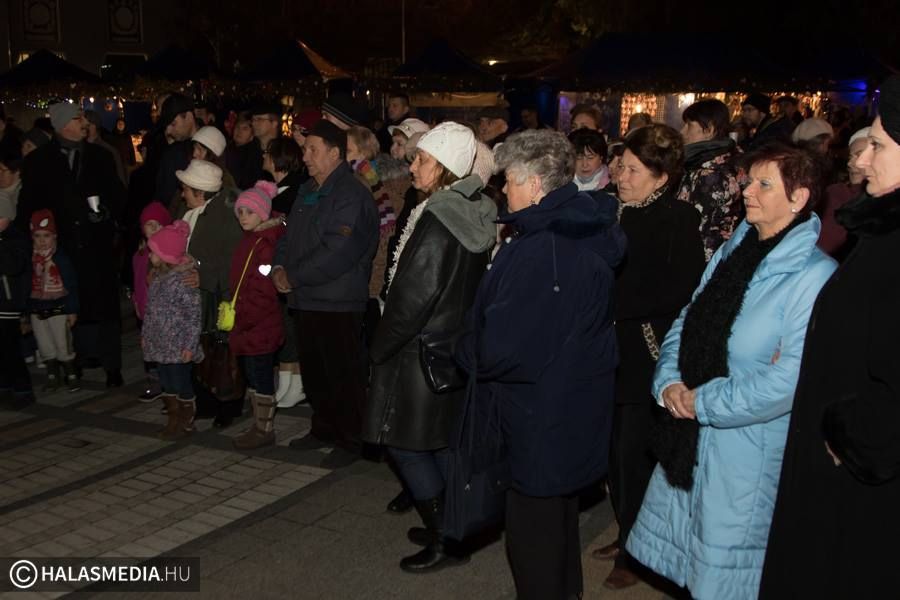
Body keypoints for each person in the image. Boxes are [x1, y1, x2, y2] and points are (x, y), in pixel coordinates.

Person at [625, 142, 837, 600]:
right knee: (696, 571)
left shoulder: (814, 276)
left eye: (764, 184)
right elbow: (689, 317)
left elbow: (788, 381)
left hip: (749, 453)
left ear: (799, 198)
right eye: (748, 181)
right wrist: (669, 382)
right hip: (692, 440)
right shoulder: (734, 250)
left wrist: (701, 401)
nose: (747, 191)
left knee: (732, 579)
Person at [455, 129, 625, 600]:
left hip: (539, 413)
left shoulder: (542, 247)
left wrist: (463, 349)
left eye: (509, 180)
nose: (503, 189)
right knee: (558, 523)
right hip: (571, 401)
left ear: (533, 185)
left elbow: (504, 347)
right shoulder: (581, 226)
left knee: (533, 536)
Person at [760, 75, 900, 600]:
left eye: (878, 146)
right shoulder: (881, 230)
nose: (861, 159)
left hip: (860, 485)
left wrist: (850, 438)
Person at [362, 122, 497, 572]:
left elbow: (411, 298)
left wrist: (379, 348)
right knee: (437, 442)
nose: (412, 166)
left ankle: (446, 537)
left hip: (417, 352)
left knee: (406, 445)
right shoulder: (468, 209)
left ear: (444, 168)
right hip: (446, 347)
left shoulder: (438, 219)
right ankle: (454, 526)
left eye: (422, 159)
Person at [594, 124, 705, 590]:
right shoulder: (609, 210)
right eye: (620, 166)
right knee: (611, 450)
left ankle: (635, 552)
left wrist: (610, 303)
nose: (621, 176)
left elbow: (681, 290)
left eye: (633, 170)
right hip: (604, 348)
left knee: (633, 453)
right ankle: (626, 530)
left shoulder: (678, 218)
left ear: (661, 177)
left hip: (645, 350)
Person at [271, 120, 378, 468]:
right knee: (316, 372)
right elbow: (288, 236)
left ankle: (352, 439)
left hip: (337, 300)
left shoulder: (351, 194)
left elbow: (339, 251)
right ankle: (324, 428)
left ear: (335, 153)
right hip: (307, 297)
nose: (305, 156)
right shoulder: (307, 190)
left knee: (343, 374)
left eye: (312, 150)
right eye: (305, 150)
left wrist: (294, 276)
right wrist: (278, 267)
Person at [17, 102, 126, 388]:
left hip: (96, 243)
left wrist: (106, 214)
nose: (84, 124)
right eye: (78, 119)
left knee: (105, 307)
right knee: (68, 306)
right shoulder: (39, 161)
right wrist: (35, 239)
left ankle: (112, 366)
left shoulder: (100, 156)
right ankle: (74, 360)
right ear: (64, 124)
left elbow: (117, 195)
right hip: (61, 247)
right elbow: (29, 204)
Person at [176, 159, 243, 427]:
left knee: (222, 352)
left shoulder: (223, 216)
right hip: (197, 297)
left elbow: (231, 259)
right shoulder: (192, 213)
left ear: (200, 192)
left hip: (217, 296)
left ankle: (228, 404)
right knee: (202, 350)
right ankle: (206, 401)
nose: (182, 194)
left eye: (186, 189)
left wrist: (202, 275)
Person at [229, 181, 286, 449]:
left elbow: (263, 290)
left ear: (262, 213)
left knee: (261, 375)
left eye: (249, 212)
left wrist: (244, 316)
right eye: (240, 212)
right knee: (253, 373)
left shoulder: (265, 244)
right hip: (248, 323)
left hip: (259, 323)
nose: (243, 217)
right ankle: (258, 423)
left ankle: (265, 429)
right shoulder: (251, 239)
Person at [142, 220, 204, 441]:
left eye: (153, 252)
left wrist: (189, 345)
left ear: (165, 255)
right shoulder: (158, 279)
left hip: (178, 346)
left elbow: (193, 316)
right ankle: (173, 419)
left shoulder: (183, 281)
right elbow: (150, 312)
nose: (150, 256)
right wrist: (146, 335)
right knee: (167, 383)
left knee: (180, 383)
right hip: (160, 343)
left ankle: (186, 421)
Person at [677, 99, 744, 261]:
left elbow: (695, 227)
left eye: (689, 125)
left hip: (701, 259)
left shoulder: (710, 174)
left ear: (709, 130)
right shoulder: (722, 160)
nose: (682, 132)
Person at [27, 209, 80, 393]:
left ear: (54, 236)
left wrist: (72, 310)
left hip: (59, 308)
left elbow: (71, 284)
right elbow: (26, 287)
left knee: (62, 342)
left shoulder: (60, 259)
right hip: (37, 309)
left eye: (46, 235)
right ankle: (52, 374)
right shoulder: (31, 260)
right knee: (44, 343)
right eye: (38, 236)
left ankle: (71, 373)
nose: (42, 240)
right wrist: (26, 312)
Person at [133, 202, 172, 402]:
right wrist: (136, 302)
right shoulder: (139, 256)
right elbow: (137, 282)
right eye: (149, 224)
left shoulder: (169, 255)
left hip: (163, 312)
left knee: (165, 350)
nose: (154, 228)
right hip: (145, 310)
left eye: (158, 224)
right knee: (149, 350)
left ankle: (170, 388)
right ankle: (156, 383)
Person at [0, 182, 33, 408]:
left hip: (8, 303)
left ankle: (23, 390)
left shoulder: (15, 239)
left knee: (11, 350)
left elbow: (13, 266)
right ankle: (3, 387)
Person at [817, 126, 869, 258]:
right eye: (850, 156)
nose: (850, 163)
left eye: (860, 155)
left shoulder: (886, 207)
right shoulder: (836, 193)